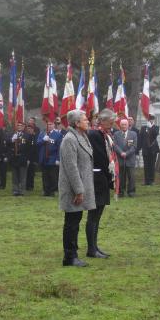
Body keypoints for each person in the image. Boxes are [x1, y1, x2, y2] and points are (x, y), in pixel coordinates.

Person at [59, 109, 96, 267]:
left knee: (76, 220)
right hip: (73, 189)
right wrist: (79, 190)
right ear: (76, 123)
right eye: (85, 119)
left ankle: (73, 252)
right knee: (71, 222)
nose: (88, 121)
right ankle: (69, 257)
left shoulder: (81, 136)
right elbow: (71, 167)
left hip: (81, 186)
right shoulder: (70, 139)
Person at [87, 108, 116, 258]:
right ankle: (91, 249)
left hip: (102, 178)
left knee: (97, 216)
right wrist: (111, 172)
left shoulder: (104, 135)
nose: (112, 125)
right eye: (110, 122)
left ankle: (95, 246)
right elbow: (101, 157)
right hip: (97, 178)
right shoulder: (94, 134)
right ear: (102, 121)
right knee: (93, 215)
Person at [38, 120, 63, 197]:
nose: (49, 126)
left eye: (51, 124)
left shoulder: (58, 135)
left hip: (53, 157)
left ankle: (53, 191)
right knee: (45, 176)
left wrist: (58, 159)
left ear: (54, 125)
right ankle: (46, 191)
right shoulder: (42, 134)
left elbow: (59, 148)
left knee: (53, 176)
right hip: (44, 158)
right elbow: (38, 143)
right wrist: (43, 140)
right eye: (48, 124)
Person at [113, 118, 137, 197]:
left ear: (128, 125)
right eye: (122, 124)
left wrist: (126, 153)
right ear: (120, 125)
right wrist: (121, 153)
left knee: (131, 176)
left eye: (125, 124)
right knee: (121, 177)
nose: (124, 126)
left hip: (130, 159)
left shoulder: (133, 134)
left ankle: (131, 192)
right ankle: (120, 192)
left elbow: (134, 146)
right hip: (120, 159)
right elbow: (115, 145)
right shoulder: (116, 134)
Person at [10, 121, 31, 196]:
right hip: (14, 158)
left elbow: (29, 148)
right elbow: (7, 144)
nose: (19, 127)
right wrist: (12, 140)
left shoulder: (27, 136)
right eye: (18, 125)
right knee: (15, 176)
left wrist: (28, 159)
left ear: (23, 127)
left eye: (21, 125)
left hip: (23, 157)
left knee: (22, 176)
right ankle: (15, 190)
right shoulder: (13, 134)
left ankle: (22, 190)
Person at [139, 114, 159, 185]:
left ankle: (151, 180)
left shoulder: (156, 127)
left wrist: (151, 128)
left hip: (153, 149)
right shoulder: (143, 128)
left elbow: (156, 134)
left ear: (154, 120)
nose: (151, 120)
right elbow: (140, 138)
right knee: (146, 165)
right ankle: (146, 181)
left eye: (152, 119)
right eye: (149, 119)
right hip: (145, 149)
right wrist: (138, 149)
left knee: (152, 165)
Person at [25, 124, 39, 191]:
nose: (29, 130)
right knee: (26, 173)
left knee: (31, 173)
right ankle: (26, 185)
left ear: (33, 130)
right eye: (28, 128)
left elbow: (35, 149)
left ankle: (31, 186)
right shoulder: (25, 136)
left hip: (32, 158)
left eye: (30, 129)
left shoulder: (35, 137)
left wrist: (35, 160)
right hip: (26, 157)